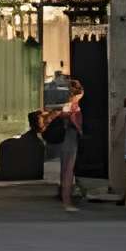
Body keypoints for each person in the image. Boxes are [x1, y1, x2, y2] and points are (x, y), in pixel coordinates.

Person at [41, 70, 86, 208]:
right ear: (76, 93)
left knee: (65, 169)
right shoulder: (72, 106)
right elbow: (74, 121)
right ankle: (67, 200)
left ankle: (64, 196)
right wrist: (79, 129)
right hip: (70, 138)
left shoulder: (62, 105)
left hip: (65, 138)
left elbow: (50, 117)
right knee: (68, 170)